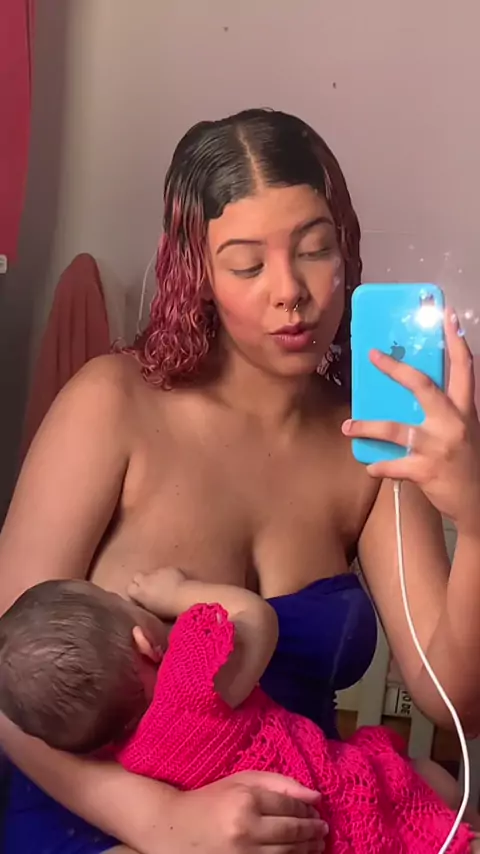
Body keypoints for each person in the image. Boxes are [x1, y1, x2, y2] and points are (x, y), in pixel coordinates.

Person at [0, 108, 479, 854]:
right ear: (197, 273)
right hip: (95, 824)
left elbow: (451, 699)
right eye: (248, 266)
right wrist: (166, 824)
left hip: (299, 827)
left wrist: (475, 517)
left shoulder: (375, 440)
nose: (291, 292)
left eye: (315, 250)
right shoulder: (111, 404)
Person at [0, 571, 477, 853]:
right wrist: (175, 591)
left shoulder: (129, 761)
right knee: (429, 782)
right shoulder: (193, 680)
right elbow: (255, 617)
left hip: (288, 835)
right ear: (144, 642)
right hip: (338, 791)